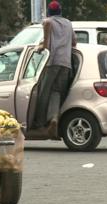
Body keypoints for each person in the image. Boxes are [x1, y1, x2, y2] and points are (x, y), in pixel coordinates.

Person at [32, 0, 76, 133]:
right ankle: (54, 118)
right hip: (66, 63)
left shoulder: (47, 22)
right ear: (60, 11)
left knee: (44, 92)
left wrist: (39, 47)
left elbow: (45, 45)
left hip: (52, 62)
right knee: (56, 92)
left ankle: (39, 123)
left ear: (50, 12)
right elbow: (74, 43)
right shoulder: (68, 23)